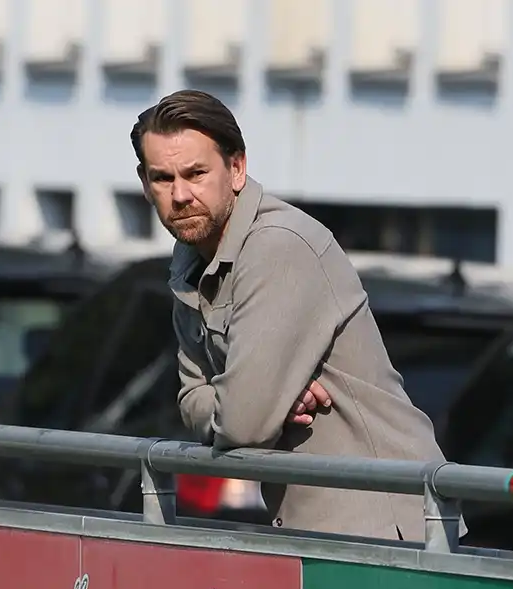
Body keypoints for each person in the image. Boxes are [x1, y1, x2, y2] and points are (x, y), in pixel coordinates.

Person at [130, 89, 465, 543]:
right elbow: (191, 399)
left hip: (387, 529)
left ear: (237, 168)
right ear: (144, 182)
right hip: (321, 531)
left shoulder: (277, 246)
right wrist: (254, 398)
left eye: (196, 173)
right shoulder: (190, 254)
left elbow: (246, 423)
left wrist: (250, 401)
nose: (181, 194)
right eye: (163, 178)